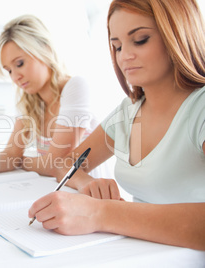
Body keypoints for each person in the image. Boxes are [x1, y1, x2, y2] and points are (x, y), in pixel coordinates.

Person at [28, 0, 205, 250]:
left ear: (178, 33)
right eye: (117, 46)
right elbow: (65, 164)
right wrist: (85, 183)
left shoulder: (200, 110)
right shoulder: (127, 112)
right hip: (135, 251)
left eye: (141, 39)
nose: (124, 57)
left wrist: (100, 213)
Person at [0, 15, 109, 180]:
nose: (15, 77)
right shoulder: (29, 100)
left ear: (45, 50)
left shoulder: (76, 87)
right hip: (62, 193)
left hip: (90, 194)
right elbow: (11, 153)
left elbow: (55, 165)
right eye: (9, 70)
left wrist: (18, 161)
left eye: (19, 64)